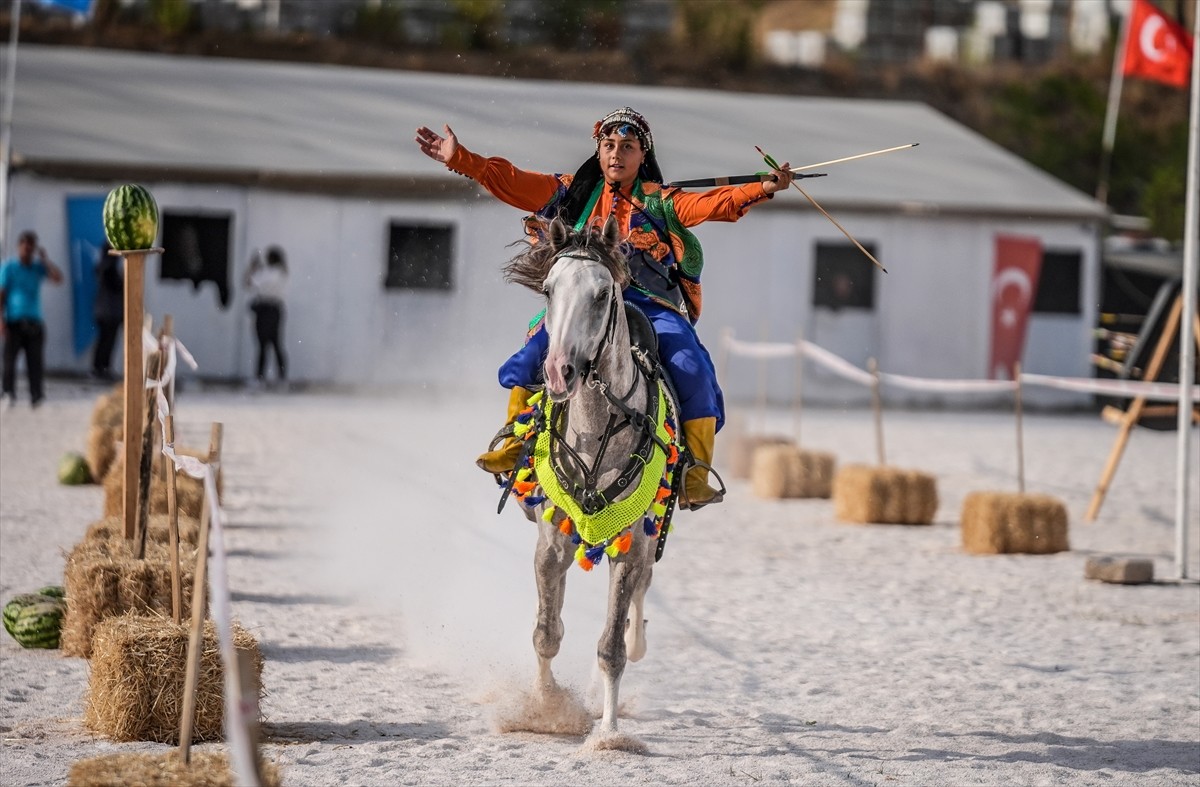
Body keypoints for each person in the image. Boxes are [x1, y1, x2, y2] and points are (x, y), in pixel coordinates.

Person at [414, 107, 793, 509]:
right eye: (609, 145)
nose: (616, 154)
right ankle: (513, 441)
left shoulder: (661, 202)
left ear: (641, 156)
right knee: (534, 352)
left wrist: (762, 187)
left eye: (627, 147)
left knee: (690, 364)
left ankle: (694, 472)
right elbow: (511, 181)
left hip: (649, 305)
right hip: (583, 305)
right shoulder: (570, 193)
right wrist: (461, 158)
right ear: (598, 152)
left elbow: (710, 204)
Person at [1, 230, 64, 408]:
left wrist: (45, 260)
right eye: (25, 247)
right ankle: (8, 392)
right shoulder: (9, 267)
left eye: (31, 248)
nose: (28, 251)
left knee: (35, 361)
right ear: (19, 247)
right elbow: (2, 294)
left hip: (34, 321)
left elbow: (58, 278)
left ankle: (36, 395)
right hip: (14, 320)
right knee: (9, 361)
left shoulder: (37, 267)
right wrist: (1, 320)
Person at [244, 245, 288, 388]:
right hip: (274, 309)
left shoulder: (270, 273)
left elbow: (249, 282)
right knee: (275, 343)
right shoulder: (281, 272)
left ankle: (260, 378)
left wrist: (253, 267)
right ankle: (280, 378)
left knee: (264, 344)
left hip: (266, 309)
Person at [91, 242, 123, 381]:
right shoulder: (109, 267)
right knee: (107, 341)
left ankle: (101, 367)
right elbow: (116, 285)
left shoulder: (104, 265)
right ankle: (101, 368)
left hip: (106, 310)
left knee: (106, 340)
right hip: (109, 311)